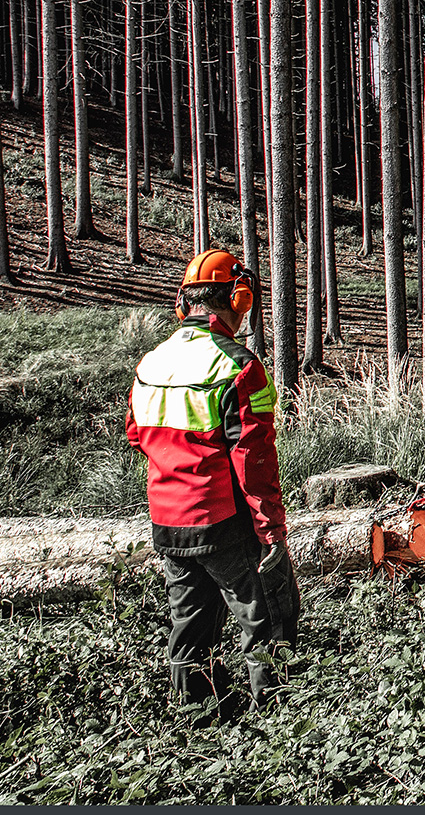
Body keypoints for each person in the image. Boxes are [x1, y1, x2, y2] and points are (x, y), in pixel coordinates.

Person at [126, 249, 300, 716]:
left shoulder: (151, 363)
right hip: (223, 518)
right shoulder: (238, 365)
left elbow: (137, 435)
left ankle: (199, 713)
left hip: (166, 519)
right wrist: (270, 531)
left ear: (184, 304)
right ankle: (280, 721)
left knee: (190, 622)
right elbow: (254, 460)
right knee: (267, 615)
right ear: (238, 300)